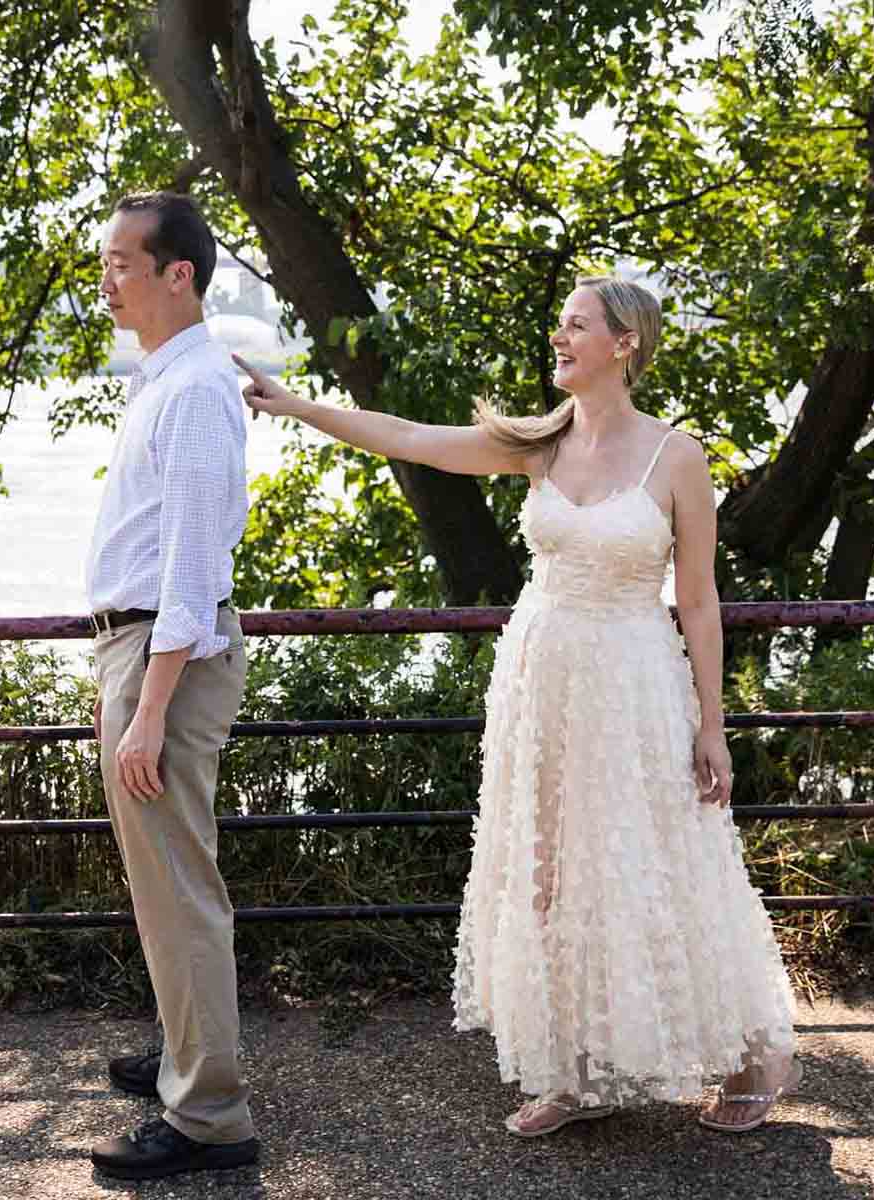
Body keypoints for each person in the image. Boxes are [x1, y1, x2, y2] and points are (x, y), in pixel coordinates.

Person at [235, 276, 799, 1137]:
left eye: (576, 327)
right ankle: (567, 1071)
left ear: (625, 343)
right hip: (542, 682)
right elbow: (410, 438)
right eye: (560, 327)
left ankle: (747, 1056)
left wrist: (712, 724)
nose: (559, 339)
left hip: (632, 686)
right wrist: (298, 407)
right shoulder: (541, 443)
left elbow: (698, 601)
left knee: (649, 859)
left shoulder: (674, 457)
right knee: (547, 873)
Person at [83, 192, 259, 1179]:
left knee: (181, 892)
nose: (107, 279)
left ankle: (208, 1118)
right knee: (167, 890)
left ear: (178, 274)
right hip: (146, 651)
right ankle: (191, 1058)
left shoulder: (193, 390)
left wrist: (145, 714)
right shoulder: (170, 377)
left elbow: (190, 575)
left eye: (121, 263)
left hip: (166, 662)